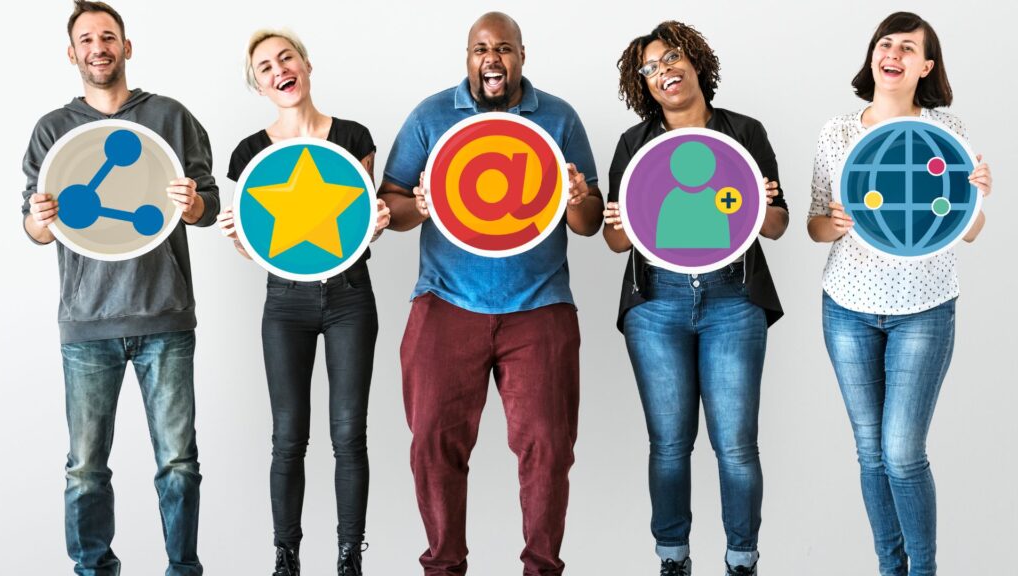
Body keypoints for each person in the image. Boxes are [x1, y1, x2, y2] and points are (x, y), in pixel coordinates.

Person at [377, 11, 601, 575]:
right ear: (467, 58)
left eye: (503, 48)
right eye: (480, 49)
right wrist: (419, 206)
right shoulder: (431, 115)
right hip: (446, 302)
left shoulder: (559, 117)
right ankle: (444, 566)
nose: (492, 59)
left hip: (541, 305)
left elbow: (589, 222)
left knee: (549, 447)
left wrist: (577, 196)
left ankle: (541, 568)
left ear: (522, 55)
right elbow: (389, 205)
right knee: (432, 443)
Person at [21, 2, 219, 574]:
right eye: (87, 39)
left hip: (165, 315)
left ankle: (183, 569)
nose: (98, 47)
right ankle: (93, 570)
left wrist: (195, 203)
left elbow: (210, 208)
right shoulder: (52, 131)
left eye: (109, 36)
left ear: (127, 47)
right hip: (87, 322)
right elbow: (34, 230)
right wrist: (39, 216)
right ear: (72, 53)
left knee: (179, 462)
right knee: (85, 467)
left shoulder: (170, 117)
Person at [807, 12, 991, 576]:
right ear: (873, 57)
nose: (893, 52)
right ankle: (890, 568)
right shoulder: (838, 131)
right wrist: (834, 224)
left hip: (925, 309)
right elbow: (815, 224)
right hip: (847, 307)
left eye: (908, 47)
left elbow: (968, 231)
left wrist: (978, 197)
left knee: (903, 454)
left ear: (925, 67)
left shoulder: (947, 133)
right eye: (885, 43)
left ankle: (923, 570)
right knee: (870, 453)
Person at [602, 21, 789, 576]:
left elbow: (776, 225)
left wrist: (757, 202)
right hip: (656, 302)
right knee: (669, 444)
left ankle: (741, 560)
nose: (665, 72)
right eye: (651, 68)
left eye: (673, 58)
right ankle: (673, 559)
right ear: (644, 86)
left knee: (735, 445)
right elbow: (615, 240)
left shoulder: (745, 131)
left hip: (733, 298)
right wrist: (622, 220)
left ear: (695, 60)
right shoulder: (634, 145)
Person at [216, 29, 390, 576]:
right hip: (285, 303)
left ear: (306, 65)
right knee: (288, 436)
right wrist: (240, 240)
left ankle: (348, 558)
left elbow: (356, 230)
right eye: (264, 67)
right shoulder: (249, 154)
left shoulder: (354, 135)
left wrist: (378, 224)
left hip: (350, 298)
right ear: (260, 86)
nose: (278, 70)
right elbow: (263, 250)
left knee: (348, 433)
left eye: (285, 58)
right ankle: (285, 557)